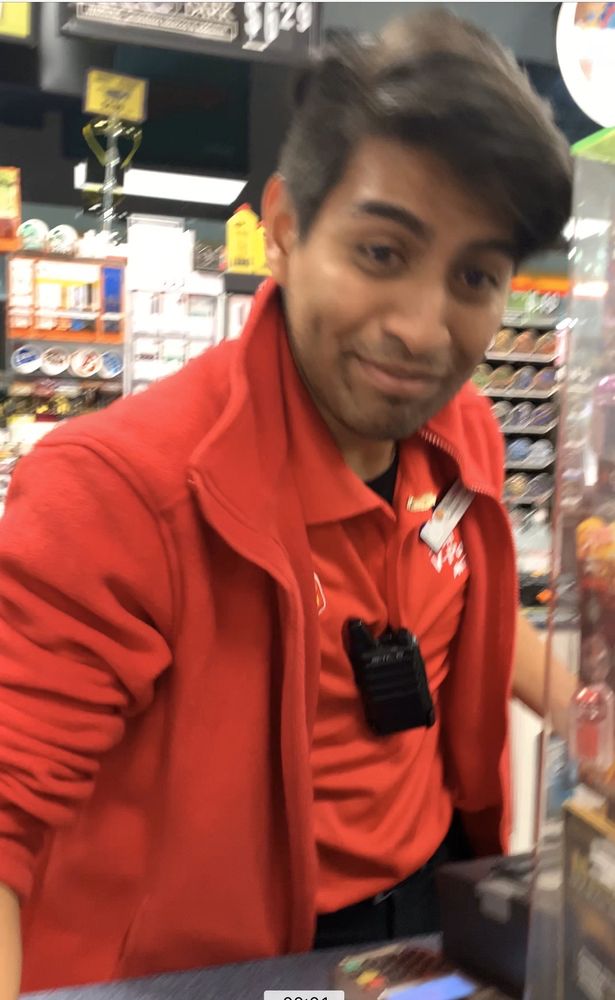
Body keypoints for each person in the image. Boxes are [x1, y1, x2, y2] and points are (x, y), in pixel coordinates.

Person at [0, 10, 571, 997]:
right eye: (382, 252)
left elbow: (472, 610)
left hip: (436, 917)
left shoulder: (463, 433)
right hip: (230, 960)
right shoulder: (119, 490)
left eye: (474, 275)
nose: (422, 329)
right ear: (284, 230)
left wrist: (591, 723)